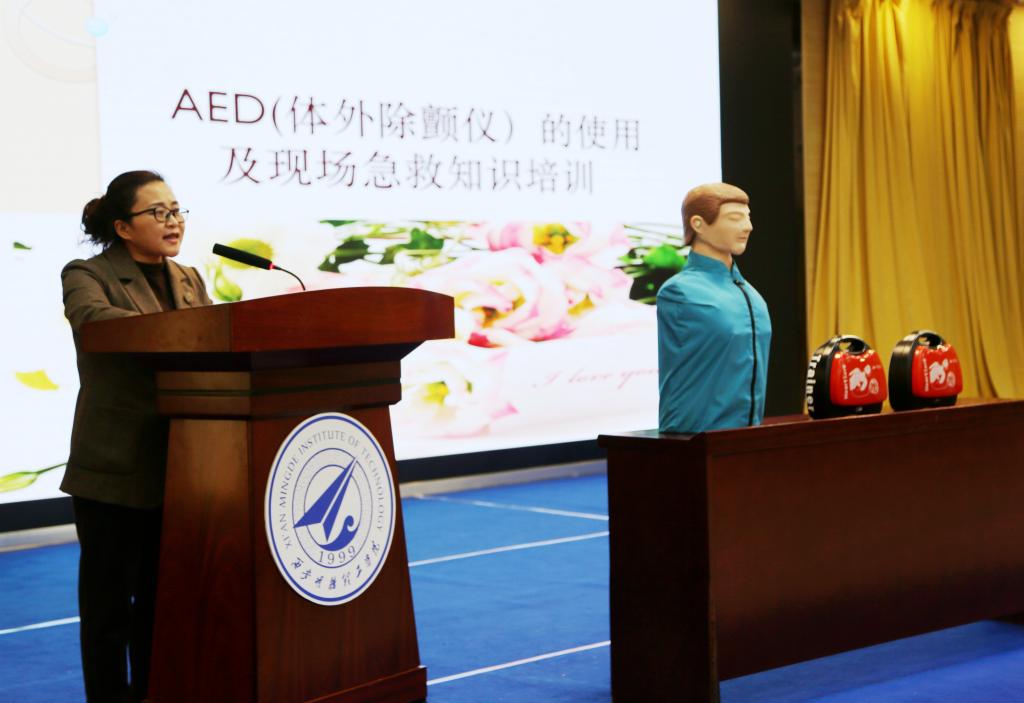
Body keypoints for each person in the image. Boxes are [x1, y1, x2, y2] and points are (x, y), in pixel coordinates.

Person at [61, 170, 212, 702]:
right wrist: (188, 335)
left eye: (176, 210)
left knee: (160, 602)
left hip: (182, 463)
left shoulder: (189, 277)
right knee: (108, 611)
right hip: (115, 469)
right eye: (158, 212)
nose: (174, 222)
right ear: (123, 227)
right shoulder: (88, 273)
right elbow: (96, 323)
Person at [657, 182, 772, 433]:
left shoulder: (752, 295)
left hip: (748, 437)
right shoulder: (678, 292)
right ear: (698, 224)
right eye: (735, 218)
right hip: (694, 438)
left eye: (748, 217)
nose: (748, 226)